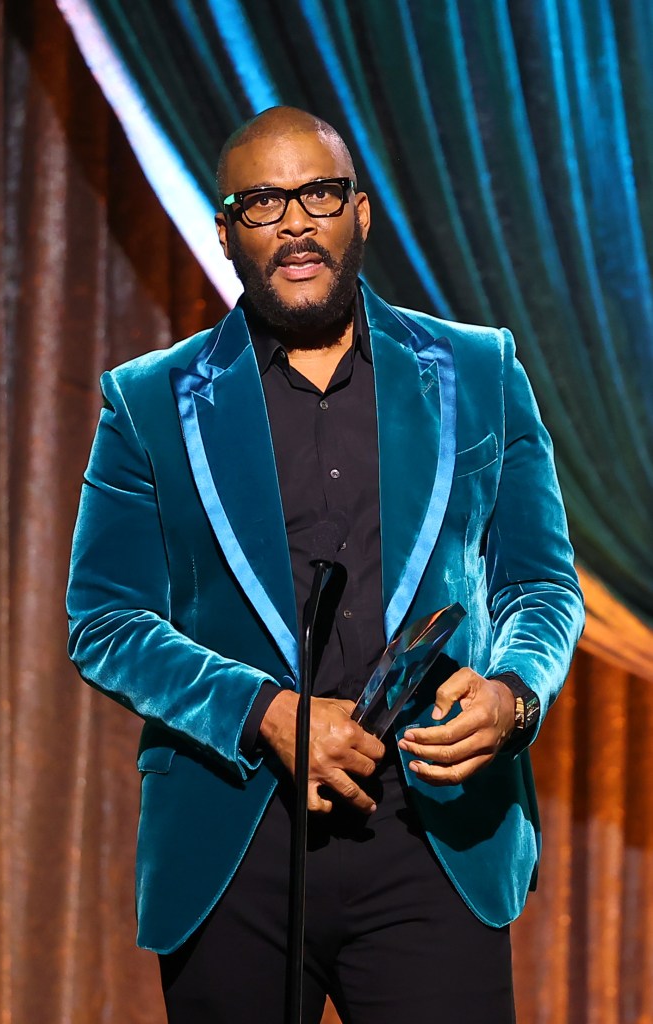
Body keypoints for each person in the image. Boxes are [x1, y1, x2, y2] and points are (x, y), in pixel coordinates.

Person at [67, 106, 584, 1023]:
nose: (296, 221)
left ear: (360, 212)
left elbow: (538, 583)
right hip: (234, 840)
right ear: (223, 230)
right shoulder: (145, 402)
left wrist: (515, 695)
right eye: (263, 201)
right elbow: (105, 620)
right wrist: (264, 712)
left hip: (432, 828)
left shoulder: (478, 369)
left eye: (319, 193)